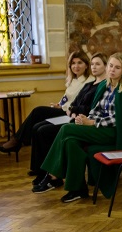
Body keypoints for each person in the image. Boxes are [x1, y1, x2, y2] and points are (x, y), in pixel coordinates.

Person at [37, 53, 122, 202]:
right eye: (111, 66)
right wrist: (86, 118)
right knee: (71, 142)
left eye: (117, 68)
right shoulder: (105, 85)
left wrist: (93, 123)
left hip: (115, 133)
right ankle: (78, 189)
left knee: (66, 129)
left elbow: (119, 119)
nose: (112, 70)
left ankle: (52, 173)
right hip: (100, 128)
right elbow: (96, 109)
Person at [29, 53, 108, 186]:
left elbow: (88, 109)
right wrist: (73, 109)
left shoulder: (101, 86)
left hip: (81, 120)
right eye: (93, 64)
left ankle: (52, 174)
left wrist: (73, 109)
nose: (94, 67)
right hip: (72, 116)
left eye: (98, 64)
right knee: (38, 127)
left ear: (105, 66)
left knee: (44, 131)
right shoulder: (90, 84)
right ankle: (43, 171)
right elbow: (75, 103)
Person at [0, 50, 91, 153]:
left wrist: (66, 108)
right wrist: (59, 105)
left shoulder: (88, 82)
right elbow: (67, 98)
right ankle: (19, 142)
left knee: (38, 112)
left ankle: (17, 141)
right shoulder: (73, 80)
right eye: (73, 63)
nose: (76, 66)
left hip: (70, 114)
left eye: (80, 63)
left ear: (86, 65)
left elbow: (80, 104)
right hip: (63, 109)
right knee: (36, 124)